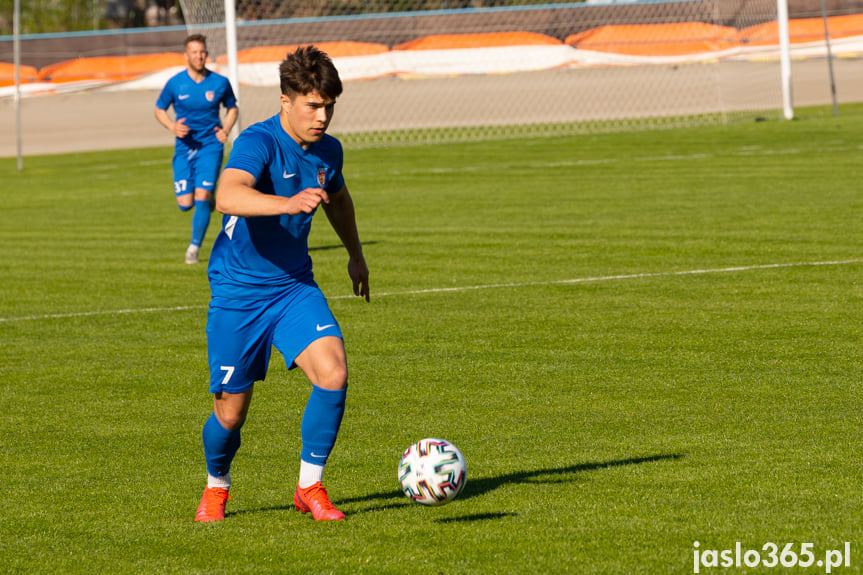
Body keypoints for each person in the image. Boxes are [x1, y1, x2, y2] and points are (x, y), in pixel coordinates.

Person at [193, 45, 370, 523]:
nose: (323, 116)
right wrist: (284, 204)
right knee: (230, 414)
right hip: (239, 294)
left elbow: (339, 199)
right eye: (313, 105)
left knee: (333, 373)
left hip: (293, 287)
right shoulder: (258, 141)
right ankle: (217, 486)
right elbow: (228, 195)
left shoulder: (328, 150)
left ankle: (309, 486)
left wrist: (356, 255)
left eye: (329, 105)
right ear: (285, 101)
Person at [154, 34, 238, 264]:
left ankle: (193, 249)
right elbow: (159, 109)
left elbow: (232, 108)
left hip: (210, 147)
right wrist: (172, 126)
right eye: (194, 52)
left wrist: (226, 129)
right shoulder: (175, 83)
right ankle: (206, 201)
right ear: (186, 56)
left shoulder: (219, 83)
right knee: (185, 204)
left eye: (202, 52)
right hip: (184, 149)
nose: (199, 56)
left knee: (201, 195)